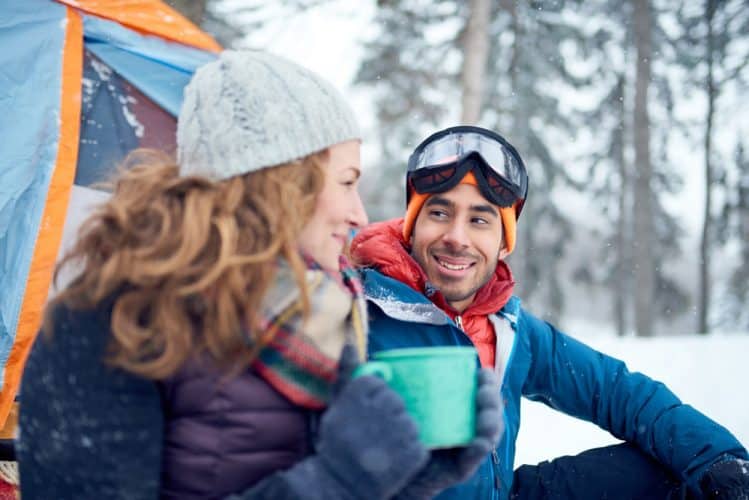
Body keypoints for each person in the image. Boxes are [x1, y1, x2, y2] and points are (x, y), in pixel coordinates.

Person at [17, 53, 503, 499]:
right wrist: (340, 481)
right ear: (280, 184)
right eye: (347, 182)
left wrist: (409, 477)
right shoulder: (107, 323)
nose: (360, 214)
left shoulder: (317, 319)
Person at [350, 125, 749, 499]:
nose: (457, 237)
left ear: (504, 243)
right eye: (439, 213)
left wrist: (722, 459)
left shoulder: (507, 326)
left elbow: (617, 391)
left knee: (674, 468)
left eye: (479, 220)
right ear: (411, 226)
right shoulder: (355, 310)